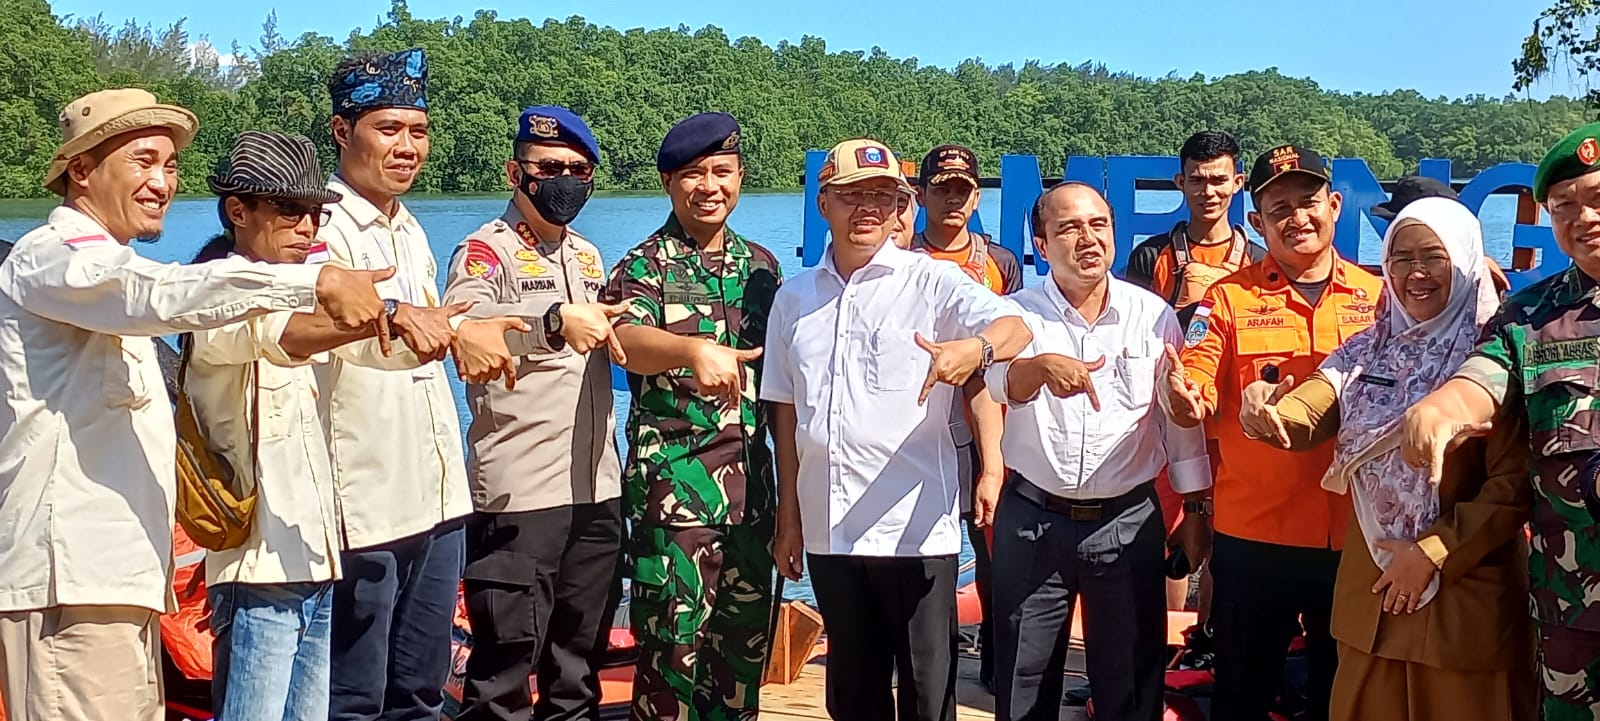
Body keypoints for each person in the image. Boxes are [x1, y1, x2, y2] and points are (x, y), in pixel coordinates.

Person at [0, 90, 390, 721]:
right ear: (80, 171)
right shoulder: (51, 258)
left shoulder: (114, 279)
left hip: (119, 584)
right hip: (68, 582)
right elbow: (162, 291)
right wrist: (313, 279)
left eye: (171, 165)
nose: (161, 183)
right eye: (143, 161)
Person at [189, 130, 469, 721]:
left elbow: (375, 353)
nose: (307, 229)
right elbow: (282, 335)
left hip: (318, 555)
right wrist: (386, 314)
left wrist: (437, 328)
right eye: (288, 211)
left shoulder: (310, 290)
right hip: (257, 563)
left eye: (315, 214)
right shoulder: (214, 290)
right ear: (238, 211)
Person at [762, 138, 1032, 721]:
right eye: (853, 195)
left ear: (901, 208)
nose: (867, 209)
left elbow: (1016, 328)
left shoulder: (932, 282)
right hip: (829, 530)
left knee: (928, 695)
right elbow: (783, 411)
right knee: (852, 696)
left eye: (882, 197)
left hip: (914, 531)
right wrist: (789, 518)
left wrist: (976, 348)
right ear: (824, 203)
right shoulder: (793, 297)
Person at [1234, 197, 1535, 721]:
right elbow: (1307, 412)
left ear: (1464, 260)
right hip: (1371, 600)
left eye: (1432, 257)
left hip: (1461, 607)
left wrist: (1434, 553)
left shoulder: (1496, 355)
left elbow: (1513, 487)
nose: (1414, 273)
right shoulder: (1366, 349)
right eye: (1400, 257)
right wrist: (1265, 415)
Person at [314, 48, 524, 721]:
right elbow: (349, 336)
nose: (408, 147)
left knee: (421, 693)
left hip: (435, 497)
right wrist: (440, 330)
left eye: (419, 130)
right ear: (343, 131)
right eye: (389, 129)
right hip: (365, 501)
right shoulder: (321, 226)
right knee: (353, 697)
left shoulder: (408, 229)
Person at [1165, 145, 1384, 721]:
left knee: (1347, 695)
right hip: (1256, 538)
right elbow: (1196, 378)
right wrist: (1183, 398)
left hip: (1359, 535)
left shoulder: (1380, 299)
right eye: (1277, 208)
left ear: (1335, 205)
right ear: (1256, 221)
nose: (1297, 218)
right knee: (1243, 692)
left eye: (1309, 201)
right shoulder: (1227, 299)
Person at [984, 182, 1212, 721]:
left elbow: (1178, 424)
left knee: (1131, 685)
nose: (1088, 238)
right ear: (1041, 245)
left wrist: (1197, 509)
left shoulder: (1153, 315)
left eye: (1098, 225)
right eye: (1068, 227)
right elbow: (995, 382)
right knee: (1022, 684)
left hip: (1128, 521)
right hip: (1032, 519)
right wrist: (1034, 370)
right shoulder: (1017, 316)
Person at [1402, 121, 1600, 719]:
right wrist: (1439, 411)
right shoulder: (1533, 315)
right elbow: (1481, 381)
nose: (1583, 218)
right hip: (1574, 610)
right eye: (1564, 207)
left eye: (1598, 199)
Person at [443, 106, 632, 721]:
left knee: (577, 671)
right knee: (503, 675)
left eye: (579, 171)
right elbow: (464, 329)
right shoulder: (484, 253)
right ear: (516, 173)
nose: (565, 181)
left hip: (596, 487)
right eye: (550, 168)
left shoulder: (588, 256)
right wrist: (550, 325)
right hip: (521, 493)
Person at [603, 111, 783, 721]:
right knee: (670, 661)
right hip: (675, 496)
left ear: (740, 176)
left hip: (752, 499)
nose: (710, 186)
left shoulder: (762, 269)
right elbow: (622, 335)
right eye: (693, 174)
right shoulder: (644, 264)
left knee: (741, 662)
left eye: (722, 172)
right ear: (667, 182)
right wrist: (688, 349)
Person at [1124, 130, 1263, 615]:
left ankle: (1208, 640)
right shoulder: (1152, 256)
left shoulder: (1260, 261)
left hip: (1232, 423)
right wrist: (1186, 308)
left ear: (1238, 183)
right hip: (1170, 420)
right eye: (1198, 181)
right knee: (1167, 534)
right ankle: (1160, 646)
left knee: (1229, 532)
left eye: (1219, 180)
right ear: (1180, 183)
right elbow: (1130, 335)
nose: (1209, 192)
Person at [910, 144, 1019, 690]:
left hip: (984, 421)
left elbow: (1019, 340)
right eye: (942, 187)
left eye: (963, 189)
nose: (953, 198)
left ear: (976, 198)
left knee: (992, 539)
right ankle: (924, 660)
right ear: (922, 193)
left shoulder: (999, 262)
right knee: (917, 545)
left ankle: (999, 660)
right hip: (916, 419)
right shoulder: (900, 255)